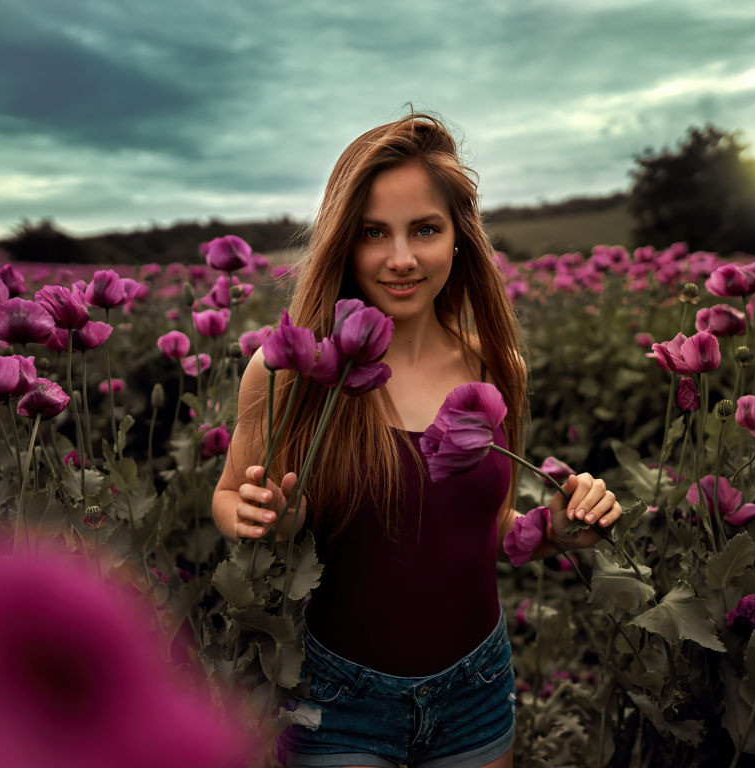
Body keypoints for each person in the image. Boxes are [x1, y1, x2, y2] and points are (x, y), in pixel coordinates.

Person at [211, 110, 622, 768]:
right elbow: (229, 495)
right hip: (337, 700)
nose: (400, 258)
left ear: (459, 238)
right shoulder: (288, 370)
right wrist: (260, 518)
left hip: (477, 689)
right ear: (344, 241)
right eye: (374, 232)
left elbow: (480, 525)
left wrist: (551, 530)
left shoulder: (496, 369)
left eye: (424, 229)